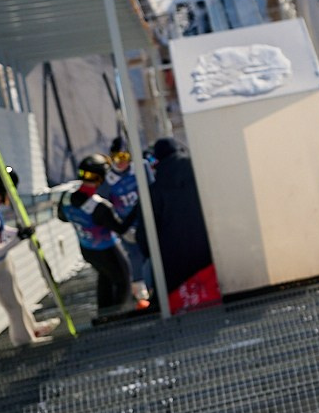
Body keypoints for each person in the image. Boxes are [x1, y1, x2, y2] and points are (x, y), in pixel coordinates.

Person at [0, 165, 57, 347]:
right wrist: (19, 238)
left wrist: (17, 232)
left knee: (18, 300)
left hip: (1, 266)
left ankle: (32, 328)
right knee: (13, 308)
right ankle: (24, 341)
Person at [57, 153, 143, 319]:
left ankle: (103, 315)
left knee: (105, 276)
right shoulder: (99, 206)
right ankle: (118, 316)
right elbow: (120, 228)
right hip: (107, 250)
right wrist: (137, 207)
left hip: (87, 249)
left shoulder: (66, 197)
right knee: (123, 279)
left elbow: (62, 217)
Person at [144, 137, 219, 312]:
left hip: (175, 264)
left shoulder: (154, 190)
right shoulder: (201, 173)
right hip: (209, 252)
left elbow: (145, 234)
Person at [105, 136, 151, 304]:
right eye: (116, 158)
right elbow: (105, 206)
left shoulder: (141, 167)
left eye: (124, 157)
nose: (120, 162)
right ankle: (140, 291)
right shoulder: (108, 179)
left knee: (151, 252)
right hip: (127, 224)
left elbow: (153, 189)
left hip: (146, 218)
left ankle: (155, 284)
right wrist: (119, 227)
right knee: (134, 255)